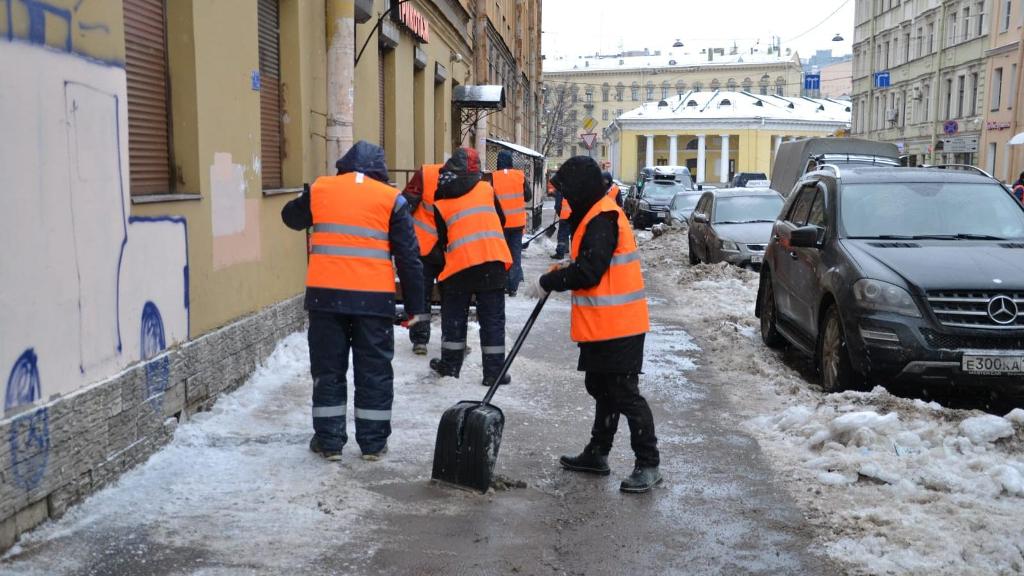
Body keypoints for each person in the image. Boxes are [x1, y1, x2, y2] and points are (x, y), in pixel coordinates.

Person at [281, 141, 426, 463]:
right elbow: (408, 257)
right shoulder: (391, 199)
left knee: (328, 369)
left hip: (325, 297)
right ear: (380, 171)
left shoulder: (322, 190)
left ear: (344, 165)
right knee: (374, 371)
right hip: (373, 301)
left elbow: (290, 218)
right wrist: (417, 307)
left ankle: (330, 442)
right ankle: (373, 445)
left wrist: (307, 197)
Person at [529, 155, 661, 494]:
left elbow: (590, 272)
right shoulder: (593, 214)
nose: (567, 198)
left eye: (569, 191)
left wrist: (549, 282)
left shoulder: (603, 216)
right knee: (601, 388)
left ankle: (648, 463)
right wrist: (560, 272)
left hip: (621, 325)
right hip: (604, 325)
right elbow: (587, 262)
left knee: (624, 394)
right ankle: (597, 453)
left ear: (583, 189)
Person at [427, 148, 514, 386]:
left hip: (459, 265)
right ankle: (493, 373)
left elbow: (443, 238)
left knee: (454, 317)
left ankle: (451, 367)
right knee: (492, 319)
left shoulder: (440, 200)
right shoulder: (486, 189)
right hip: (491, 260)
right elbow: (502, 219)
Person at [402, 163, 444, 355]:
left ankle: (420, 340)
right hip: (446, 249)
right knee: (452, 298)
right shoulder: (470, 179)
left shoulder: (425, 174)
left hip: (424, 246)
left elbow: (406, 204)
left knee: (420, 295)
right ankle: (452, 339)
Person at [493, 150, 532, 296]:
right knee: (515, 255)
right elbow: (528, 197)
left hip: (500, 224)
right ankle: (513, 287)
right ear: (510, 162)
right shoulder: (519, 175)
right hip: (517, 223)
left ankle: (502, 284)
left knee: (502, 255)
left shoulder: (493, 177)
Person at [552, 181, 572, 260]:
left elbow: (558, 205)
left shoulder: (561, 187)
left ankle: (560, 252)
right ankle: (569, 250)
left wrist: (560, 213)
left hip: (565, 215)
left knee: (562, 235)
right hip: (575, 215)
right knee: (573, 234)